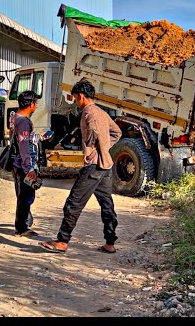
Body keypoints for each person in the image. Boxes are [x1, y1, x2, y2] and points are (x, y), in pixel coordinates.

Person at [40, 80, 122, 254]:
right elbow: (117, 132)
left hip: (93, 166)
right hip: (105, 166)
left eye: (75, 98)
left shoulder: (89, 112)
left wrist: (93, 150)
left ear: (81, 96)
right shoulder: (102, 112)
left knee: (73, 203)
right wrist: (105, 148)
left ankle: (62, 241)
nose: (76, 101)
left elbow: (96, 132)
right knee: (106, 204)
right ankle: (110, 243)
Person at [9, 90, 43, 238]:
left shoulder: (16, 117)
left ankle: (24, 222)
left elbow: (24, 139)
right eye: (35, 102)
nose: (36, 105)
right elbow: (23, 146)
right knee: (26, 196)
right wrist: (29, 168)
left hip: (18, 163)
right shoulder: (23, 121)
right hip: (24, 164)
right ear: (31, 104)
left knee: (24, 194)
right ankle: (21, 227)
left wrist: (38, 137)